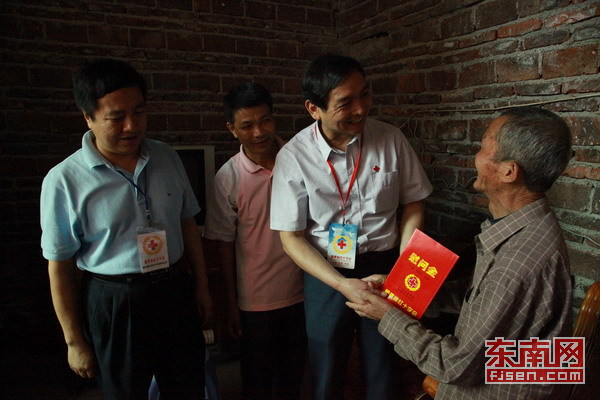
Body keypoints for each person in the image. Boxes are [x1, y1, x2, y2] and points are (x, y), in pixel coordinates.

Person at [347, 107, 573, 399]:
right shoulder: (528, 227)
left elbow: (455, 366)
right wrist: (401, 291)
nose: (475, 156)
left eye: (483, 147)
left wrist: (387, 315)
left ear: (509, 171)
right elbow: (483, 302)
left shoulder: (517, 263)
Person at [40, 58, 212, 400]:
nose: (132, 126)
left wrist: (202, 288)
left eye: (139, 112)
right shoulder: (64, 180)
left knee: (187, 386)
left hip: (174, 290)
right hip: (115, 301)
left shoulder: (166, 156)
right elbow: (59, 266)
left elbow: (187, 223)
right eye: (116, 117)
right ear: (88, 117)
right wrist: (73, 341)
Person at [270, 54, 433, 400]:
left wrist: (404, 268)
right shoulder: (294, 157)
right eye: (346, 103)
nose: (361, 109)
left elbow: (413, 203)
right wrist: (342, 284)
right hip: (326, 273)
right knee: (326, 366)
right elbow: (291, 238)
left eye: (365, 94)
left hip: (386, 268)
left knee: (384, 364)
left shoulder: (391, 139)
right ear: (314, 109)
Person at [204, 82, 306, 400]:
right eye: (247, 125)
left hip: (303, 290)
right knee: (257, 379)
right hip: (255, 300)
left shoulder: (301, 161)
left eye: (265, 121)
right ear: (232, 129)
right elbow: (224, 244)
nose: (259, 132)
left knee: (294, 376)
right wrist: (231, 303)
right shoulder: (228, 177)